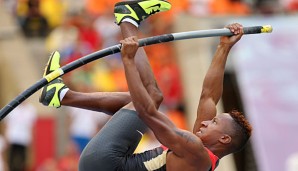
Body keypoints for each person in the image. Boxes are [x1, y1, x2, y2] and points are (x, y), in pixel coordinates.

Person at [39, 0, 252, 170]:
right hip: (116, 161)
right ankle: (60, 95)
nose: (206, 123)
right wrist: (223, 48)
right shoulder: (204, 151)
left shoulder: (196, 152)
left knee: (151, 98)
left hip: (104, 164)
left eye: (214, 122)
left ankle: (127, 21)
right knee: (146, 98)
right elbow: (208, 96)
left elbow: (147, 111)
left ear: (224, 139)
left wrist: (128, 61)